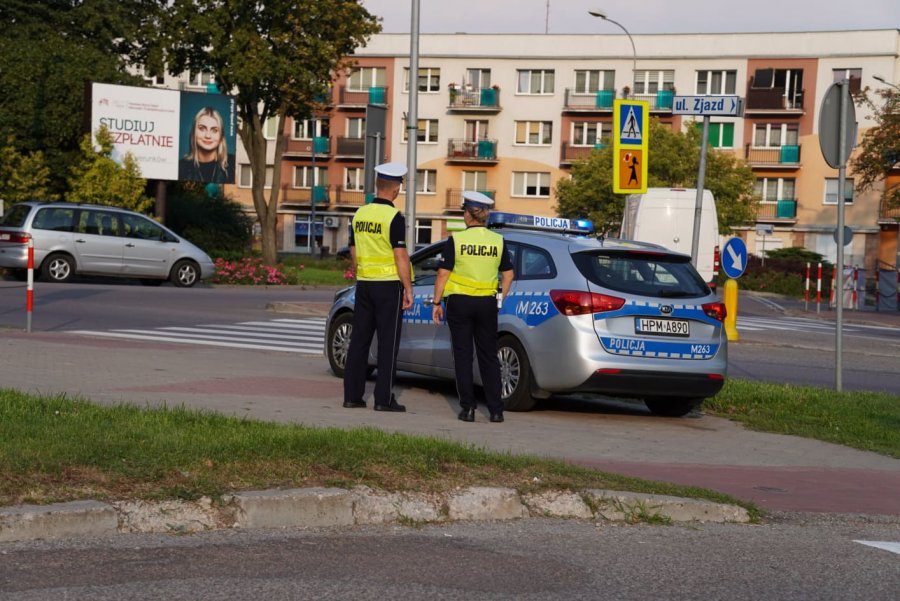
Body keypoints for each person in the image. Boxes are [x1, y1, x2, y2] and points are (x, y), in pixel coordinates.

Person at [431, 191, 514, 423]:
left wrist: (436, 302)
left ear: (468, 215)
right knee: (489, 356)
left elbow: (443, 274)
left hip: (460, 303)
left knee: (463, 355)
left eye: (464, 212)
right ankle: (496, 410)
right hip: (487, 304)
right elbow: (508, 274)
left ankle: (467, 409)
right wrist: (499, 299)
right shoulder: (497, 241)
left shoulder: (456, 240)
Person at [342, 162, 414, 412]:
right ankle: (383, 399)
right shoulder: (393, 217)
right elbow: (400, 255)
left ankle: (352, 396)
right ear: (395, 188)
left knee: (359, 340)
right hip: (388, 287)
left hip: (364, 284)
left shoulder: (359, 214)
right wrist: (408, 288)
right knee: (387, 342)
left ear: (377, 185)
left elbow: (353, 249)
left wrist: (362, 272)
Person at [179, 107, 234, 184]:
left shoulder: (232, 164)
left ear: (221, 136)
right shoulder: (181, 167)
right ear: (194, 133)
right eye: (202, 128)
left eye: (214, 130)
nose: (208, 135)